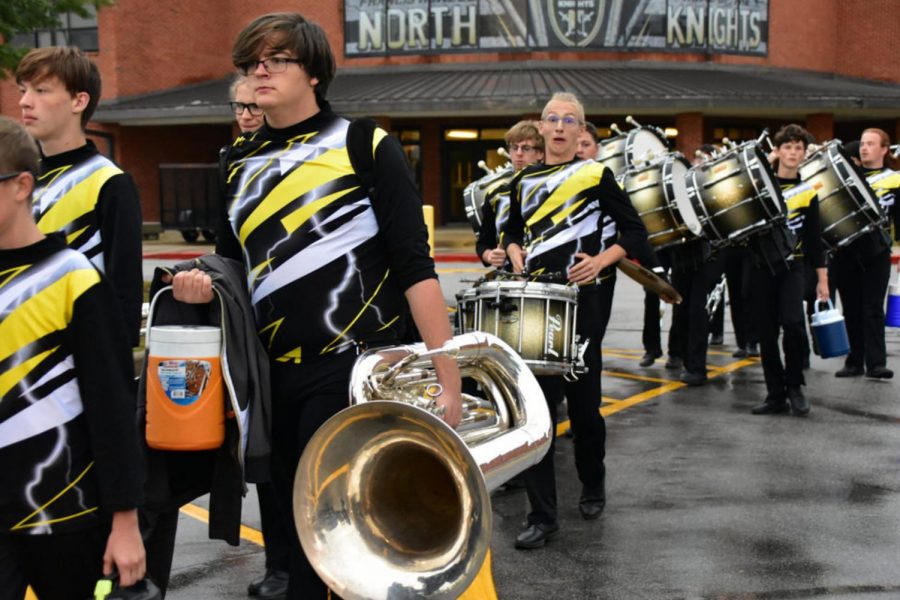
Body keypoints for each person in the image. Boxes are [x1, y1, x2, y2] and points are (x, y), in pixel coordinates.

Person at [170, 12, 462, 598]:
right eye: (254, 61)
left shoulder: (363, 143)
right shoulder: (238, 163)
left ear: (314, 73)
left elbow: (414, 265)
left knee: (348, 542)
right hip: (271, 375)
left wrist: (446, 373)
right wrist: (196, 283)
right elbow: (229, 268)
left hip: (354, 368)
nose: (261, 70)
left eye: (277, 59)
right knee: (296, 536)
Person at [0, 116, 146, 599]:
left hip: (65, 516)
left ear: (22, 185)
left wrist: (125, 521)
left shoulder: (74, 279)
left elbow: (112, 409)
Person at [504, 92, 649, 549]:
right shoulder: (522, 181)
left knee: (584, 409)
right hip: (535, 305)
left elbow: (635, 231)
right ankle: (542, 515)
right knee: (536, 411)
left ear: (580, 130)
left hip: (581, 302)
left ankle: (593, 481)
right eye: (553, 119)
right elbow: (510, 230)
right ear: (541, 128)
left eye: (570, 120)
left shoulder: (596, 173)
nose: (561, 126)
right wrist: (511, 251)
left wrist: (602, 261)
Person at [15, 46, 143, 348]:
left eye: (41, 90)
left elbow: (125, 292)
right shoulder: (18, 181)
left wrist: (115, 376)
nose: (24, 102)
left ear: (78, 100)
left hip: (79, 363)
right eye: (23, 90)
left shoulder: (109, 182)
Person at [225, 75, 291, 600]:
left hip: (313, 319)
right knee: (267, 456)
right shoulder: (231, 161)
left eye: (253, 105)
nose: (247, 114)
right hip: (256, 324)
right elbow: (228, 246)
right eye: (239, 106)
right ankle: (279, 566)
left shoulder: (299, 153)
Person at [751, 124, 828, 416]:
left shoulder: (808, 193)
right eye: (788, 147)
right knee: (767, 333)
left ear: (804, 154)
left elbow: (813, 240)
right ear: (778, 151)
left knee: (793, 323)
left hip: (793, 267)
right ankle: (775, 394)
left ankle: (795, 386)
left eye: (799, 148)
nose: (793, 153)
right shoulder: (760, 187)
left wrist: (822, 279)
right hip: (760, 267)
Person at [830, 128, 899, 379]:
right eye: (863, 144)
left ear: (884, 149)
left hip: (877, 251)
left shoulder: (894, 179)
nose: (864, 148)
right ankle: (854, 360)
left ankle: (876, 362)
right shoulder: (845, 177)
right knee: (851, 307)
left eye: (871, 144)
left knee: (872, 307)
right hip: (846, 250)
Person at [475, 120, 544, 268]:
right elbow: (483, 244)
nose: (518, 154)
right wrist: (490, 256)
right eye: (514, 148)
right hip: (508, 278)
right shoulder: (496, 194)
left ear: (540, 153)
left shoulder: (551, 188)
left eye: (525, 148)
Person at [577, 121, 619, 342]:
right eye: (576, 144)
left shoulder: (609, 180)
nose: (580, 149)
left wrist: (655, 274)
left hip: (602, 275)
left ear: (597, 148)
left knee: (592, 344)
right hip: (566, 275)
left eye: (586, 144)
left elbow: (633, 230)